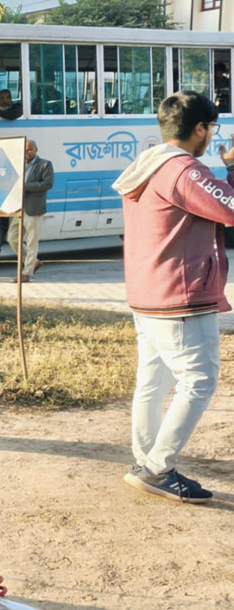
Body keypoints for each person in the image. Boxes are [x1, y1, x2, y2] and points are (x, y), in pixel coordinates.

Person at [112, 90, 232, 503]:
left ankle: (147, 460)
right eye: (211, 128)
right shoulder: (183, 169)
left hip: (148, 292)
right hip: (179, 294)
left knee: (153, 379)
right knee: (199, 379)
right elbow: (231, 208)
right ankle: (160, 468)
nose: (212, 137)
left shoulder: (147, 164)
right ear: (199, 128)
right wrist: (232, 169)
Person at [8, 139, 54, 282]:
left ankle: (26, 273)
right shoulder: (19, 165)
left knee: (31, 241)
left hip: (34, 208)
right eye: (25, 150)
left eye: (29, 150)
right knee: (12, 238)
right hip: (19, 208)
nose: (27, 153)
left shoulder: (45, 164)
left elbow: (47, 184)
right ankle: (33, 262)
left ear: (36, 150)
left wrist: (26, 186)